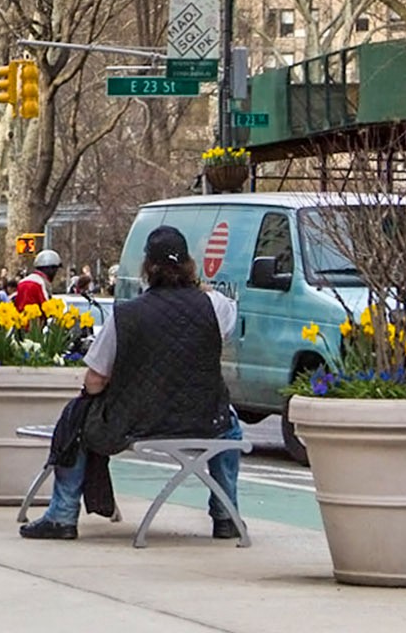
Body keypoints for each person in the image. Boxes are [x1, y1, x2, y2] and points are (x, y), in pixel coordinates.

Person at [21, 224, 242, 541]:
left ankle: (62, 515)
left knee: (77, 418)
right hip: (203, 419)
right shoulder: (215, 308)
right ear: (188, 265)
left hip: (136, 422)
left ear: (147, 268)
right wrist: (200, 289)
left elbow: (95, 381)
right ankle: (226, 515)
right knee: (230, 425)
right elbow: (226, 314)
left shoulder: (125, 316)